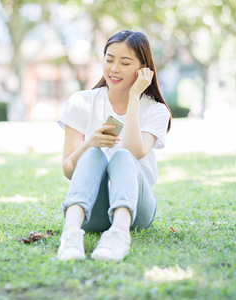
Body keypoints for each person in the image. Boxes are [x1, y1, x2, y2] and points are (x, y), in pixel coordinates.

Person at [56, 30, 172, 262]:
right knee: (92, 154)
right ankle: (70, 234)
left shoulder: (156, 110)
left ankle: (119, 235)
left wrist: (134, 97)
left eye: (125, 62)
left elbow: (132, 152)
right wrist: (90, 144)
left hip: (136, 211)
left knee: (121, 157)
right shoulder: (82, 102)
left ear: (143, 69)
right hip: (93, 211)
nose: (114, 68)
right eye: (109, 60)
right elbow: (69, 169)